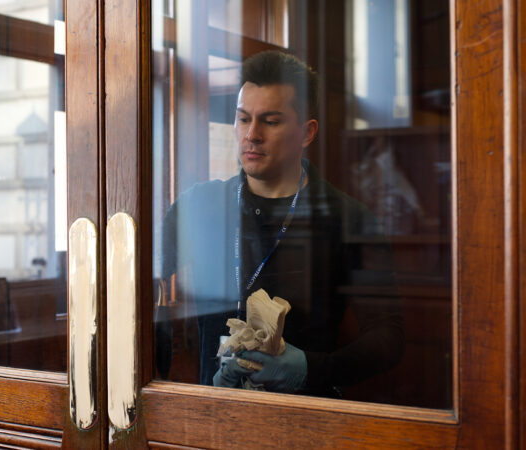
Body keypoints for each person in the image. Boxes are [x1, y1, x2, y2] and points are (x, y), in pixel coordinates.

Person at [158, 51, 404, 397]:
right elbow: (136, 287)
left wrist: (309, 369)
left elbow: (388, 338)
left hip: (305, 416)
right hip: (214, 413)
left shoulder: (349, 218)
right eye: (243, 119)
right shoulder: (199, 206)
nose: (252, 135)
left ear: (306, 132)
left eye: (270, 121)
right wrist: (158, 382)